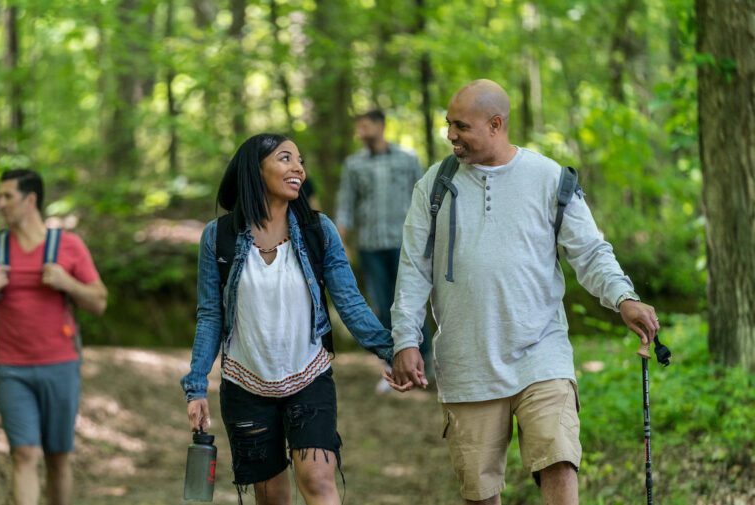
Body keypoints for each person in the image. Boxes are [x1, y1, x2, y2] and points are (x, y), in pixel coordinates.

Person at [386, 79, 660, 505]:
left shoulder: (548, 178)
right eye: (448, 125)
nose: (450, 135)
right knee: (480, 491)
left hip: (541, 350)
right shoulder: (433, 187)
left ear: (496, 124)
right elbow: (413, 270)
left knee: (559, 458)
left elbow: (589, 252)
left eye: (461, 126)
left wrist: (623, 297)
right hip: (466, 360)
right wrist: (405, 339)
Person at [181, 133, 394, 505]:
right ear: (255, 169)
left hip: (309, 376)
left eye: (300, 160)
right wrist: (197, 385)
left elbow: (350, 302)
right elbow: (210, 315)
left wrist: (392, 350)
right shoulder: (218, 238)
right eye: (285, 159)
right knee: (273, 498)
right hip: (245, 385)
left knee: (318, 482)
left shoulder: (318, 231)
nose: (299, 168)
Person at [0, 169, 108, 505]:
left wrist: (67, 283)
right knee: (23, 454)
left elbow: (100, 302)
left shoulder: (69, 247)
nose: (0, 203)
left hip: (61, 367)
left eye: (7, 196)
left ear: (30, 200)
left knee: (58, 457)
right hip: (11, 369)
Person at [335, 109, 424, 331]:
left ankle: (422, 359)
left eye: (365, 127)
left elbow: (423, 200)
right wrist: (340, 244)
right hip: (370, 247)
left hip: (403, 244)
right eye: (359, 128)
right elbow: (345, 205)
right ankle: (391, 357)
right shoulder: (353, 164)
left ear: (380, 126)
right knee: (382, 305)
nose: (360, 132)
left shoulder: (408, 158)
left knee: (411, 301)